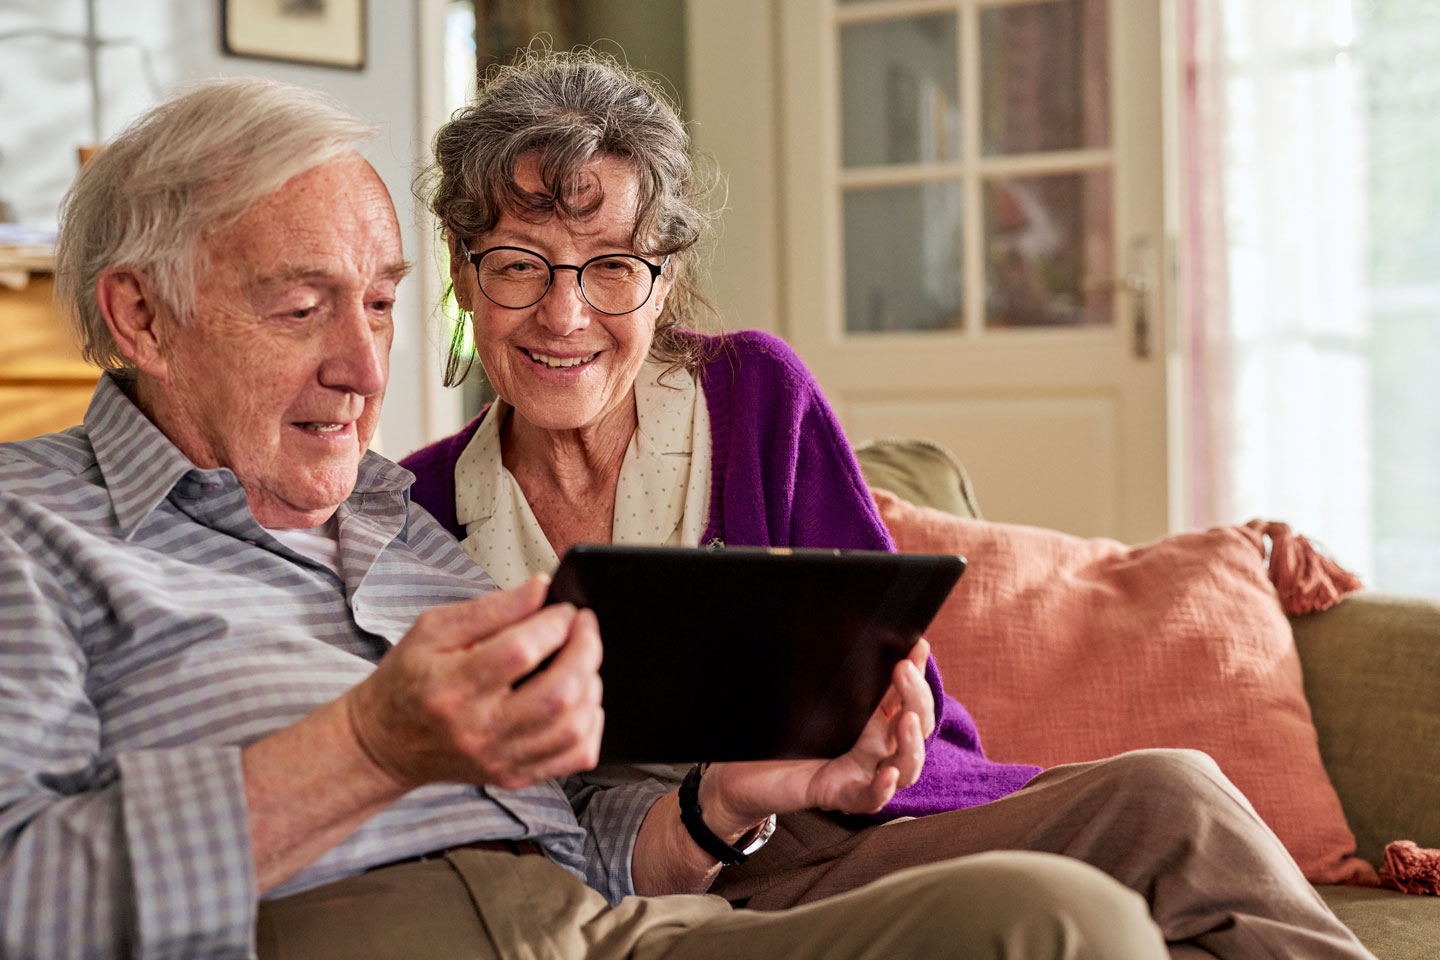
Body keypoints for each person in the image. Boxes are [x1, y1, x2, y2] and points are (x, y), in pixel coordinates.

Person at [0, 75, 1190, 960]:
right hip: (350, 932)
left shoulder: (394, 529)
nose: (364, 366)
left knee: (1061, 925)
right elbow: (22, 892)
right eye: (302, 308)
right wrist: (365, 752)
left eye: (376, 303)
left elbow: (580, 828)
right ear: (142, 319)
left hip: (613, 927)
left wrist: (726, 802)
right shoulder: (32, 530)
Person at [401, 49, 1378, 960]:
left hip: (834, 834)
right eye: (520, 264)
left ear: (664, 282)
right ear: (464, 276)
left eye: (611, 266)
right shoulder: (416, 510)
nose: (564, 314)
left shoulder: (754, 396)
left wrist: (888, 711)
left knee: (1175, 794)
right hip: (623, 901)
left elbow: (892, 666)